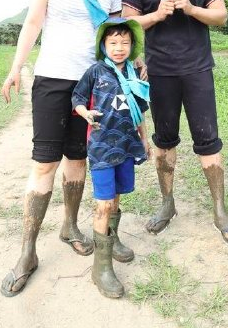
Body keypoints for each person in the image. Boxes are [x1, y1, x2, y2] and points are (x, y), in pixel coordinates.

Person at [0, 0, 123, 297]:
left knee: (78, 158)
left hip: (92, 83)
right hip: (53, 79)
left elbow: (115, 37)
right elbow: (33, 23)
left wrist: (130, 72)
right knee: (45, 162)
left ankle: (69, 225)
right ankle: (27, 252)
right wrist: (16, 68)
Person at [121, 0, 228, 246]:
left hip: (198, 70)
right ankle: (167, 203)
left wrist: (191, 9)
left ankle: (219, 209)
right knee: (164, 141)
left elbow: (220, 15)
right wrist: (157, 14)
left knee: (208, 140)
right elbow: (128, 25)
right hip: (159, 72)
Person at [72, 18, 151, 298]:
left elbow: (139, 111)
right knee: (103, 205)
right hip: (103, 149)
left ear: (132, 46)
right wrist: (85, 113)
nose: (119, 48)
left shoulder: (135, 74)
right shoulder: (95, 72)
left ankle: (113, 239)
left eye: (125, 43)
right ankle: (101, 268)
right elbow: (78, 98)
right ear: (103, 45)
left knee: (117, 197)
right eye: (113, 42)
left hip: (127, 146)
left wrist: (144, 139)